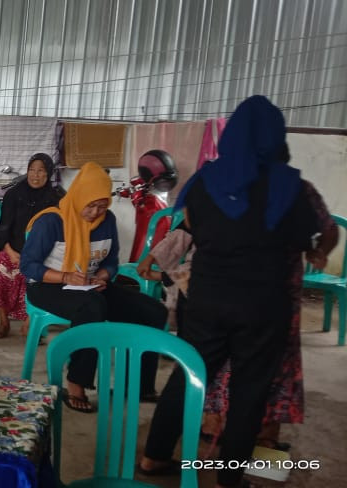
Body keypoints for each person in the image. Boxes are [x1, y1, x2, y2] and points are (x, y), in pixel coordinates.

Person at [140, 96, 331, 488]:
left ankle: (153, 457)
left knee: (190, 375)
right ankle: (229, 477)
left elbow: (192, 226)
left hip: (208, 299)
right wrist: (319, 250)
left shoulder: (203, 183)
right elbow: (320, 233)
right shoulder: (294, 188)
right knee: (250, 387)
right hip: (264, 305)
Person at [21, 162, 166, 413]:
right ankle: (77, 382)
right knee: (93, 307)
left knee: (152, 311)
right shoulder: (51, 222)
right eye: (91, 205)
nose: (96, 212)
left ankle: (138, 384)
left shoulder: (106, 220)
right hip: (48, 285)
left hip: (89, 284)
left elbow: (111, 260)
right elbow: (28, 267)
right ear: (78, 198)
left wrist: (103, 275)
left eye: (102, 205)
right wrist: (65, 276)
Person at [0, 153, 64, 338]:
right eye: (32, 170)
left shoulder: (57, 198)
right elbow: (4, 226)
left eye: (41, 171)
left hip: (43, 255)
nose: (35, 175)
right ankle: (4, 322)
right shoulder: (14, 194)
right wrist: (9, 251)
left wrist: (36, 256)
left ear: (49, 174)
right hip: (12, 250)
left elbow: (59, 233)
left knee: (39, 276)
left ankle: (30, 324)